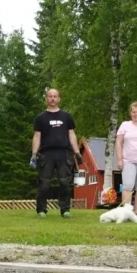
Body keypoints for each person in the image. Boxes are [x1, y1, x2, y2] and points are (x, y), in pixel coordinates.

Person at [32, 88, 82, 218]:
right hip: (46, 154)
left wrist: (77, 152)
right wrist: (34, 153)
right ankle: (41, 210)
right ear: (46, 99)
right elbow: (37, 136)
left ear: (59, 99)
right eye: (50, 96)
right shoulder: (40, 118)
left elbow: (71, 134)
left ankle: (65, 210)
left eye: (55, 96)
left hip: (64, 153)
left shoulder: (66, 116)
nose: (52, 98)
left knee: (65, 183)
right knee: (44, 184)